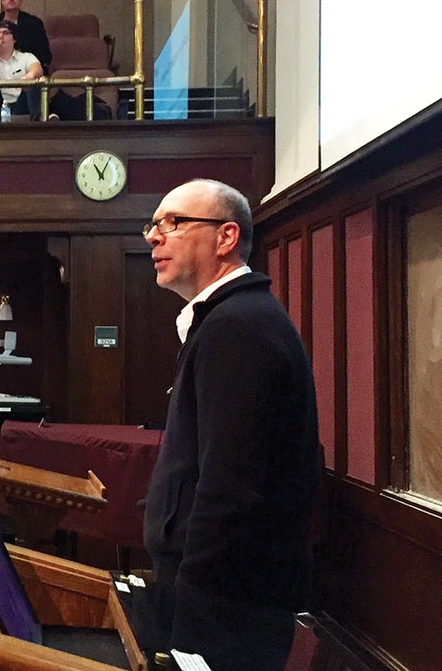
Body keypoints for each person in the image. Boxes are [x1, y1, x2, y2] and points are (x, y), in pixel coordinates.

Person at [139, 180, 319, 670]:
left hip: (225, 607)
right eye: (154, 225)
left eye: (174, 222)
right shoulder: (228, 319)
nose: (155, 236)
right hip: (221, 597)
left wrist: (192, 614)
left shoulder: (238, 326)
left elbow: (231, 488)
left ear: (226, 237)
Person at [0, 20, 44, 123]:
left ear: (14, 39)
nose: (0, 36)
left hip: (20, 103)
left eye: (6, 33)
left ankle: (39, 121)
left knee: (34, 84)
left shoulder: (26, 56)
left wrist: (30, 76)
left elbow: (37, 69)